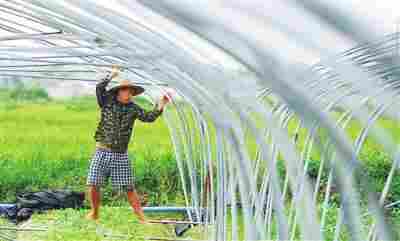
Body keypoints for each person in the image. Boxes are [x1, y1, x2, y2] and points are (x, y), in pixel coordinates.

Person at [86, 65, 170, 223]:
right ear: (119, 91)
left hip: (120, 154)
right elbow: (99, 87)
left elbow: (149, 117)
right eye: (126, 91)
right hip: (102, 151)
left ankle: (142, 218)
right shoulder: (107, 102)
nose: (129, 94)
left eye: (131, 92)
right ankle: (95, 212)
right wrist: (111, 75)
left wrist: (161, 104)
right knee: (93, 183)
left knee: (129, 187)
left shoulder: (133, 108)